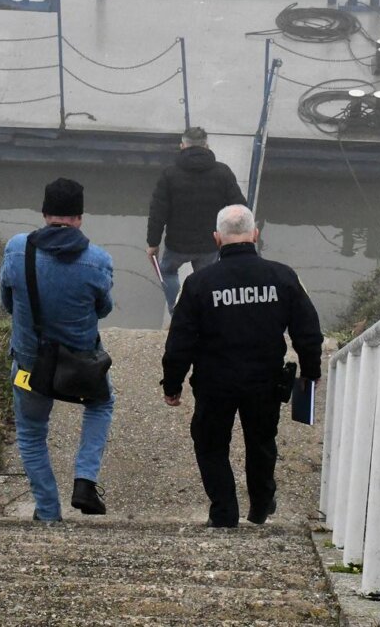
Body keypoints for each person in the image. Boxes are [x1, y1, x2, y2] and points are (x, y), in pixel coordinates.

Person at [160, 204, 323, 528]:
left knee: (210, 444)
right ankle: (261, 506)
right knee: (261, 443)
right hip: (264, 380)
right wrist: (310, 373)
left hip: (214, 382)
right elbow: (307, 332)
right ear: (255, 235)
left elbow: (181, 340)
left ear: (217, 239)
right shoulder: (282, 276)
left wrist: (172, 383)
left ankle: (224, 511)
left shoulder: (198, 283)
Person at [0, 177, 115, 522]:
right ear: (79, 217)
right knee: (101, 403)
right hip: (80, 366)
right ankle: (84, 480)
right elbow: (104, 309)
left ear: (44, 212)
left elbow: (7, 301)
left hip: (29, 365)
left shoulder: (17, 249)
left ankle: (48, 512)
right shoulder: (98, 260)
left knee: (32, 433)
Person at [146, 126, 246, 313]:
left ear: (182, 146)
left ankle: (176, 310)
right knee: (206, 279)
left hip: (177, 244)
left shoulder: (169, 174)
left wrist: (153, 242)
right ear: (207, 146)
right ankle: (202, 314)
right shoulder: (223, 172)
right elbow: (239, 207)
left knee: (167, 271)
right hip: (210, 244)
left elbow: (158, 211)